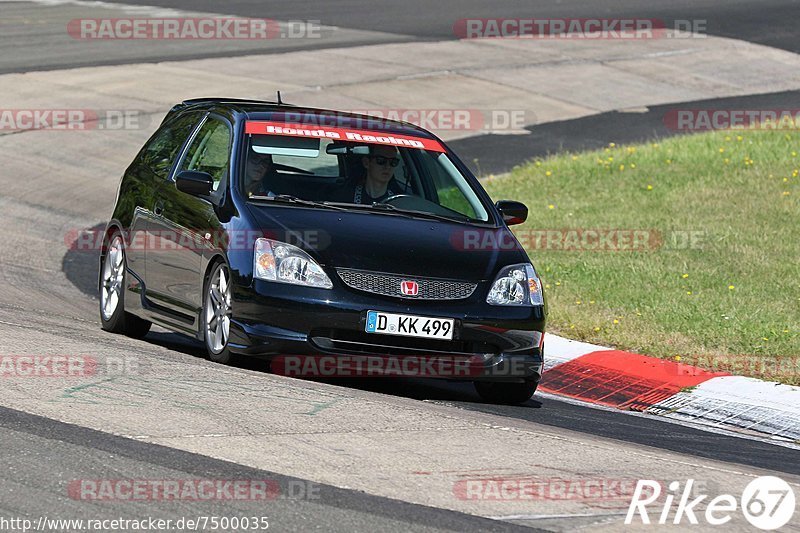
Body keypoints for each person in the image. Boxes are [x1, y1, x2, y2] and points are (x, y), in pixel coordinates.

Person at [336, 145, 406, 204]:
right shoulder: (345, 198)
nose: (387, 167)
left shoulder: (400, 203)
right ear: (366, 163)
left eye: (393, 162)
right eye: (381, 161)